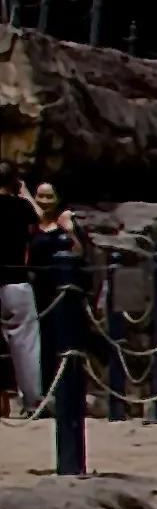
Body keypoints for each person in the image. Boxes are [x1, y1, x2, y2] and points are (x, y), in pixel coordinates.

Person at [0, 169, 54, 410]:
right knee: (26, 343)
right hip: (16, 280)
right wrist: (25, 193)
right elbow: (41, 218)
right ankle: (32, 400)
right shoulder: (21, 207)